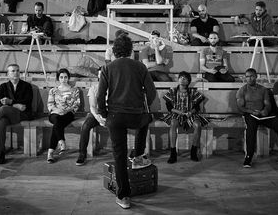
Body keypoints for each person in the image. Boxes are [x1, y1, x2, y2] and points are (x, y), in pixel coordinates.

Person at [97, 34, 157, 209]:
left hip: (115, 117)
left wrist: (104, 113)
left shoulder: (108, 68)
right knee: (147, 119)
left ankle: (123, 196)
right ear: (131, 50)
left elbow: (101, 96)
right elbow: (152, 94)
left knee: (119, 156)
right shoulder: (140, 66)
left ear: (115, 51)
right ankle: (138, 154)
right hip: (136, 115)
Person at [236, 68, 278, 167]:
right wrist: (252, 112)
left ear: (256, 77)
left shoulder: (263, 89)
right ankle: (248, 158)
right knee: (251, 130)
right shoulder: (242, 90)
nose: (249, 78)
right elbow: (240, 107)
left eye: (251, 76)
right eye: (247, 76)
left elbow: (268, 104)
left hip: (263, 115)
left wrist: (265, 111)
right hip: (250, 114)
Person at [163, 71, 208, 163]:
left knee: (198, 125)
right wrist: (179, 112)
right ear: (178, 79)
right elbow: (169, 107)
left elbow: (197, 107)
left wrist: (190, 112)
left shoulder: (192, 92)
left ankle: (193, 151)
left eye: (185, 78)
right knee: (173, 123)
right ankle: (173, 153)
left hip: (189, 114)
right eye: (180, 77)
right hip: (176, 113)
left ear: (188, 81)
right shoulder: (172, 91)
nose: (182, 79)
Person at [46, 68, 81, 163]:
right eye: (61, 77)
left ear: (68, 78)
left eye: (65, 77)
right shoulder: (53, 90)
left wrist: (65, 110)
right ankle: (61, 142)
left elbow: (76, 104)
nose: (63, 79)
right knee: (57, 120)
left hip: (68, 114)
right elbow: (50, 104)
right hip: (55, 113)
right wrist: (57, 110)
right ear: (58, 79)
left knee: (57, 124)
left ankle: (50, 152)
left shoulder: (74, 90)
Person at [76, 67, 106, 166]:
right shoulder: (94, 88)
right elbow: (92, 106)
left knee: (118, 126)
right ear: (98, 75)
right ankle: (82, 154)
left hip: (109, 113)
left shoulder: (113, 87)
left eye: (103, 74)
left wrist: (106, 118)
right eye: (99, 74)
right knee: (85, 126)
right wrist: (98, 117)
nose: (101, 76)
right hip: (96, 113)